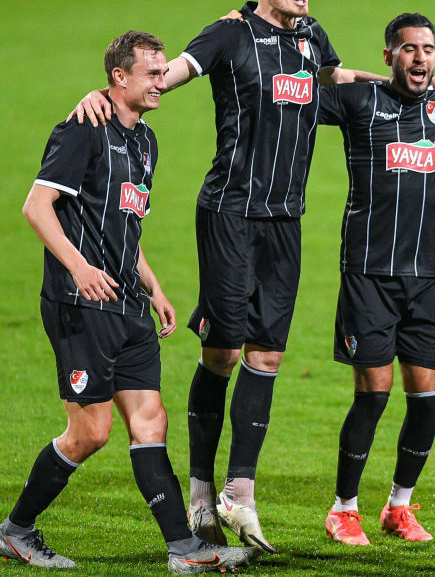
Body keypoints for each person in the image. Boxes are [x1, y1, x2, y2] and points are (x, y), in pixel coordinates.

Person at [64, 0, 418, 552]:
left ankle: (239, 491)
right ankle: (200, 488)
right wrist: (107, 92)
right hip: (230, 213)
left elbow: (334, 76)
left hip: (287, 220)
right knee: (223, 353)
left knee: (269, 355)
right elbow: (167, 77)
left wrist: (405, 83)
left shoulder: (311, 37)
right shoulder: (230, 34)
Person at [1, 31, 259, 574]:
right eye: (152, 73)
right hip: (81, 303)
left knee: (150, 423)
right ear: (119, 77)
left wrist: (153, 286)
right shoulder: (83, 129)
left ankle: (183, 551)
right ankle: (16, 530)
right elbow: (36, 205)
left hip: (127, 305)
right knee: (91, 433)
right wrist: (79, 267)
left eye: (164, 71)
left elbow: (126, 224)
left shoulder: (146, 141)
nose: (162, 81)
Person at [315, 13, 435, 546]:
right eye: (409, 50)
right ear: (390, 56)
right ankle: (344, 508)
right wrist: (356, 76)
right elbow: (302, 89)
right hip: (370, 274)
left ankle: (399, 507)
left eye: (428, 50)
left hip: (428, 276)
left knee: (426, 397)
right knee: (374, 393)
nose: (421, 59)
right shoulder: (361, 105)